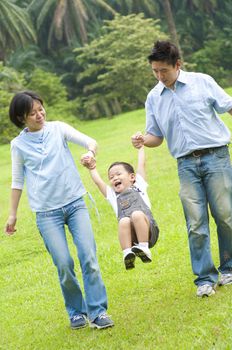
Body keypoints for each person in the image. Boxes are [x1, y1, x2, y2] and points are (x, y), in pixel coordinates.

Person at [4, 91, 114, 329]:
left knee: (89, 257)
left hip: (75, 204)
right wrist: (12, 214)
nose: (39, 115)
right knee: (64, 264)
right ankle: (76, 311)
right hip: (46, 213)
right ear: (21, 117)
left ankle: (98, 312)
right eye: (32, 113)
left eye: (40, 109)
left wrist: (89, 153)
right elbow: (17, 181)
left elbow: (90, 142)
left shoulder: (58, 128)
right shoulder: (18, 145)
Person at [131, 40, 232, 297]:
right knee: (195, 222)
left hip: (216, 157)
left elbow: (228, 105)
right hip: (185, 164)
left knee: (225, 215)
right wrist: (144, 140)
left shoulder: (202, 82)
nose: (159, 76)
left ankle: (229, 267)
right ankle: (204, 279)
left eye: (163, 70)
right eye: (155, 71)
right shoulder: (154, 97)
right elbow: (156, 137)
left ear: (178, 65)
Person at [81, 146, 159, 270]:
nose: (114, 178)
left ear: (132, 177)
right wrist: (92, 168)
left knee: (137, 214)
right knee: (124, 220)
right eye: (111, 177)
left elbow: (141, 164)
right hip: (132, 238)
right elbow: (98, 182)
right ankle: (127, 253)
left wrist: (141, 148)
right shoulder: (113, 195)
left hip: (149, 232)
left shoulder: (139, 185)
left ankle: (144, 249)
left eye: (118, 174)